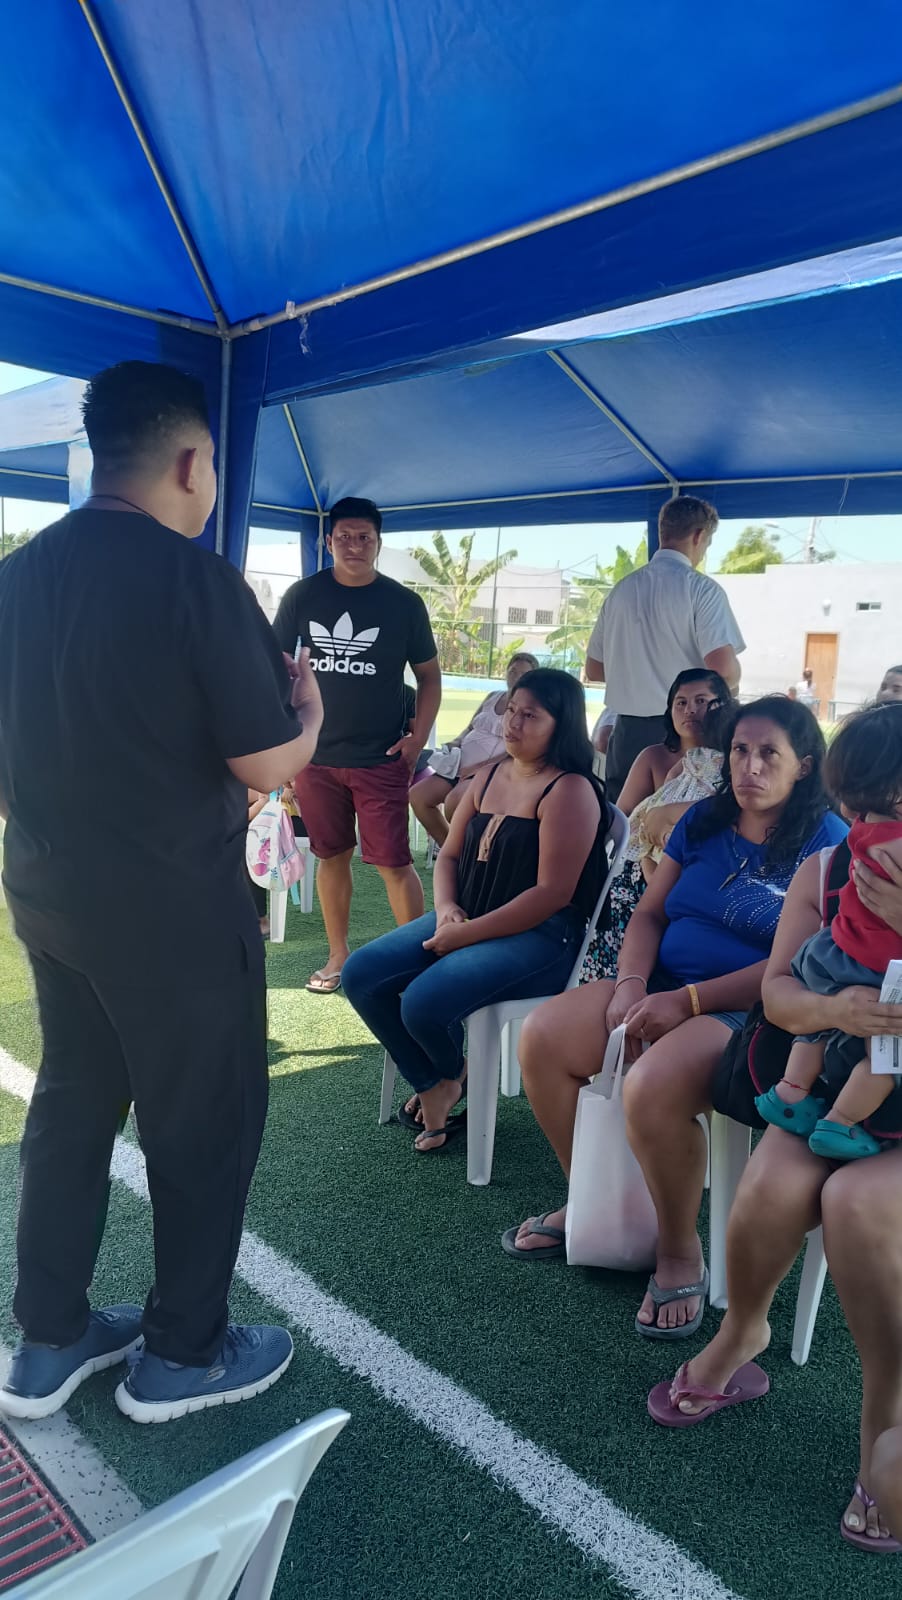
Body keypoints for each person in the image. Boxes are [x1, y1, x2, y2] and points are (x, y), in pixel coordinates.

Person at [0, 361, 323, 1424]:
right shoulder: (199, 581)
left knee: (72, 1102)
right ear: (191, 461)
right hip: (174, 909)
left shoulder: (15, 578)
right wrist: (310, 714)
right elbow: (266, 762)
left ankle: (47, 1338)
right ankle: (183, 1353)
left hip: (48, 892)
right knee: (203, 1122)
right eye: (213, 463)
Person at [503, 698, 846, 1299]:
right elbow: (650, 914)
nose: (750, 766)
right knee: (543, 1037)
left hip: (754, 1012)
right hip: (661, 983)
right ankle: (592, 1199)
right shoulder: (704, 820)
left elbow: (796, 963)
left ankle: (678, 1250)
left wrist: (687, 1003)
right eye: (740, 750)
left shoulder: (828, 844)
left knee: (652, 1085)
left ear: (805, 765)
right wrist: (631, 985)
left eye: (770, 754)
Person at [645, 834, 902, 1557]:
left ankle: (885, 1409)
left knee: (856, 1205)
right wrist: (841, 1009)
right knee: (773, 1181)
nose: (880, 821)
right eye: (869, 801)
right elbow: (779, 995)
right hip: (836, 1091)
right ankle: (743, 1332)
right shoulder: (829, 868)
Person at [342, 670, 610, 1152]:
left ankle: (443, 1079)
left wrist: (465, 934)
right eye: (512, 711)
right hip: (470, 913)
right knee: (361, 973)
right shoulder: (488, 775)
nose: (513, 723)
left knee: (422, 1001)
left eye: (531, 715)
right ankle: (439, 1080)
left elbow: (551, 893)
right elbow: (449, 856)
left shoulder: (570, 790)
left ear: (562, 724)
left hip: (544, 936)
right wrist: (447, 909)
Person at [273, 498, 441, 994]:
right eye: (344, 536)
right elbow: (277, 669)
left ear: (378, 543)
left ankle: (415, 964)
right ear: (328, 541)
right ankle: (338, 956)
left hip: (381, 758)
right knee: (331, 857)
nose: (354, 545)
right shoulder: (303, 596)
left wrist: (418, 738)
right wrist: (287, 739)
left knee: (394, 863)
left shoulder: (403, 604)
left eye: (364, 537)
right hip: (316, 757)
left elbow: (429, 677)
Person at [757, 702, 902, 1159]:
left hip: (832, 958)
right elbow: (775, 997)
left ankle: (790, 1091)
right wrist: (835, 1010)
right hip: (879, 979)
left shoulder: (858, 834)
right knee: (886, 1060)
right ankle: (841, 1123)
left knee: (817, 1035)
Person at [585, 497, 744, 802]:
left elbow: (594, 669)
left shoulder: (621, 591)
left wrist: (638, 673)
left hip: (626, 732)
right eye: (707, 543)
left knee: (623, 824)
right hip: (683, 735)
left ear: (662, 531)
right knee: (677, 825)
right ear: (698, 535)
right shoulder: (701, 589)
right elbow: (723, 671)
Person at [580, 670, 732, 982]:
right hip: (641, 864)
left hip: (696, 870)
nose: (690, 710)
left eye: (701, 701)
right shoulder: (654, 757)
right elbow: (623, 819)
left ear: (721, 706)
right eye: (681, 703)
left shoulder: (731, 762)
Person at [410, 653, 539, 847]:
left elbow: (516, 751)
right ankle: (451, 851)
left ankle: (466, 853)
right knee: (418, 796)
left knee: (454, 802)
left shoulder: (529, 709)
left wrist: (480, 769)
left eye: (523, 673)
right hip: (458, 766)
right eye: (513, 671)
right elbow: (470, 727)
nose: (516, 676)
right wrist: (456, 741)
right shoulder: (493, 696)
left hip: (489, 773)